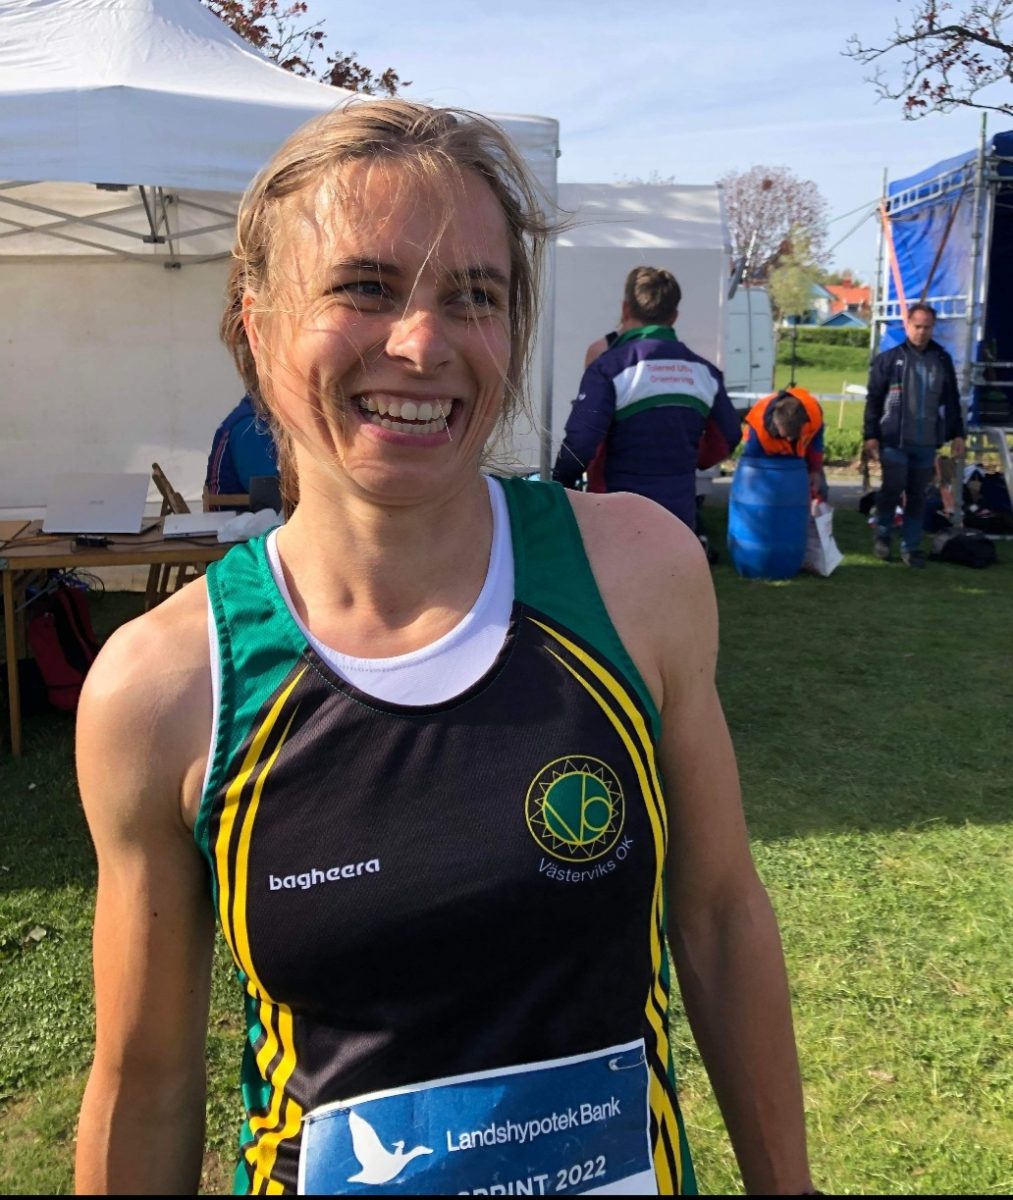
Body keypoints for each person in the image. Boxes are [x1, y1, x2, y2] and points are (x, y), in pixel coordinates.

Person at [74, 100, 816, 1196]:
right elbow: (145, 1082)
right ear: (257, 325)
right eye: (364, 287)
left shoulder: (635, 573)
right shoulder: (166, 689)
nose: (424, 345)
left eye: (474, 295)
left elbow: (715, 914)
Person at [551, 267, 742, 532]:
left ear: (625, 309)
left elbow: (580, 444)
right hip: (678, 518)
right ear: (674, 317)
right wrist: (690, 456)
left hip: (616, 517)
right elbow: (729, 435)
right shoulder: (704, 372)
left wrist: (559, 487)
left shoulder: (609, 367)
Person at [863, 302, 965, 567]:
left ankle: (911, 547)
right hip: (894, 439)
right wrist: (870, 435)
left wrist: (958, 435)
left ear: (933, 328)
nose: (921, 332)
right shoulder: (889, 360)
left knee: (918, 495)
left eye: (927, 327)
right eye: (917, 326)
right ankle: (883, 535)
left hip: (926, 441)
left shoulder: (941, 359)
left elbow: (952, 399)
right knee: (892, 488)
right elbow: (874, 400)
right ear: (907, 325)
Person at [741, 386, 828, 500]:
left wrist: (814, 470)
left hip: (800, 457)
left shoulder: (814, 413)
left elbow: (816, 443)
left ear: (804, 424)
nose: (789, 440)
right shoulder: (758, 432)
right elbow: (752, 467)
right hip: (767, 458)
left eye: (794, 435)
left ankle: (816, 510)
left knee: (820, 488)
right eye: (785, 436)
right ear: (776, 424)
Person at [205, 390, 280, 497]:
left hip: (249, 504)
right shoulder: (249, 425)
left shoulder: (252, 417)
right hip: (237, 507)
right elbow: (266, 487)